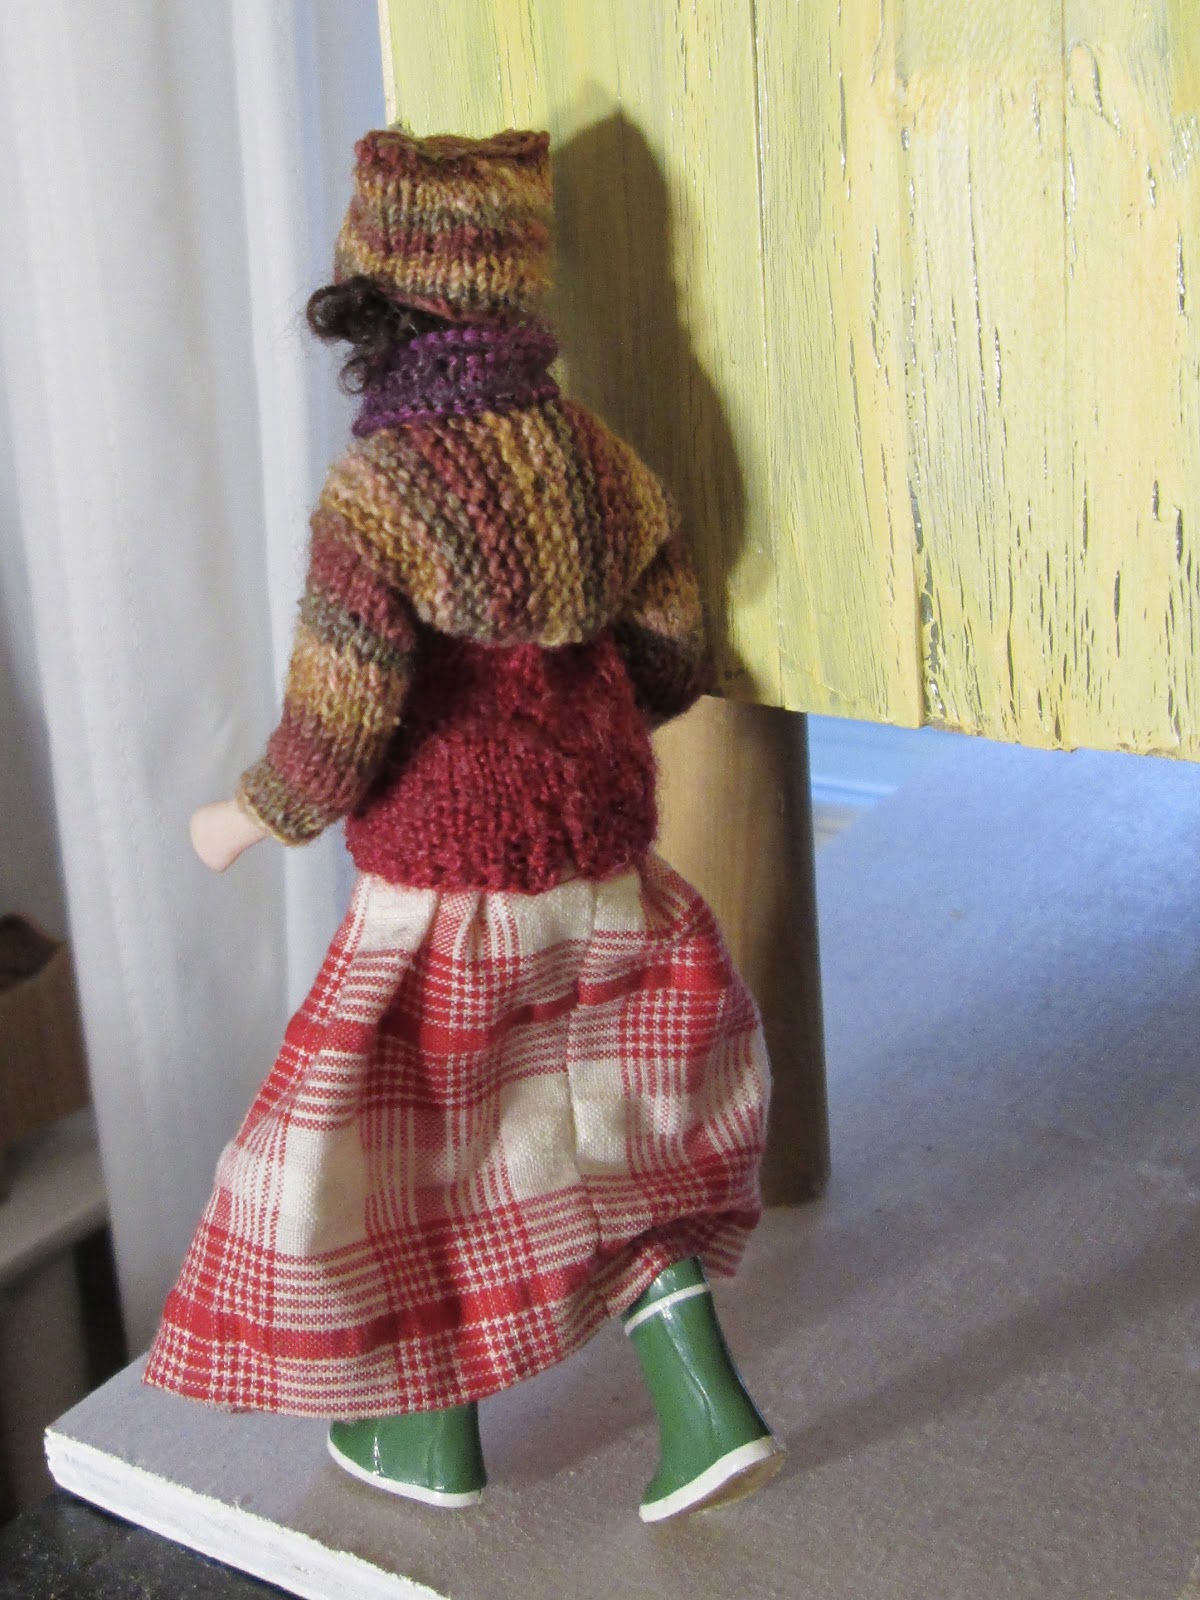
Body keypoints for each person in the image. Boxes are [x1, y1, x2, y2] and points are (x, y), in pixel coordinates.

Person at [145, 126, 779, 1522]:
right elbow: (675, 647)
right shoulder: (597, 458)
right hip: (602, 861)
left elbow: (335, 731)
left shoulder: (380, 494)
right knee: (605, 1127)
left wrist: (244, 818)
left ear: (375, 290)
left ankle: (427, 1438)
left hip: (446, 883)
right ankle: (704, 1404)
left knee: (416, 1154)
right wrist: (585, 737)